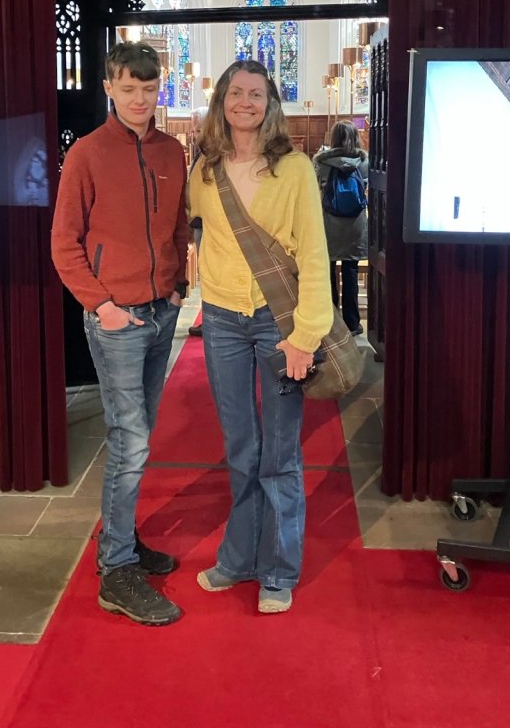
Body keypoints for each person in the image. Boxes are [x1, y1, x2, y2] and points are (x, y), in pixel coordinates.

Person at [51, 42, 189, 627]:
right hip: (116, 320)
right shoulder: (86, 154)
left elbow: (180, 222)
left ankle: (123, 539)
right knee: (130, 440)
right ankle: (115, 569)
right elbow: (64, 243)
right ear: (108, 86)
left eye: (149, 88)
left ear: (161, 88)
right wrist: (102, 305)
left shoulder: (172, 150)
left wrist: (179, 283)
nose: (139, 98)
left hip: (161, 312)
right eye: (128, 88)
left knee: (139, 435)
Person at [188, 59, 333, 614]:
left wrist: (306, 334)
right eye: (235, 93)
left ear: (270, 103)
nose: (244, 102)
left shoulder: (294, 168)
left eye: (256, 94)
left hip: (279, 324)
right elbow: (187, 226)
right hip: (223, 320)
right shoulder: (204, 170)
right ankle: (239, 557)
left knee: (280, 452)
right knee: (240, 448)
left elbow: (315, 255)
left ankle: (278, 569)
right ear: (221, 101)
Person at [314, 120, 369, 336]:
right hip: (354, 226)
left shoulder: (321, 161)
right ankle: (352, 324)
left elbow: (312, 187)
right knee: (350, 272)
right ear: (355, 136)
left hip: (328, 223)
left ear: (333, 138)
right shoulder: (364, 160)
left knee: (327, 273)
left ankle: (331, 323)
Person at [187, 105, 209, 338]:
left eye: (198, 131)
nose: (193, 136)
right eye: (192, 131)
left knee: (209, 275)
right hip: (198, 224)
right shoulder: (201, 153)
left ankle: (210, 321)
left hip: (207, 225)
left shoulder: (211, 154)